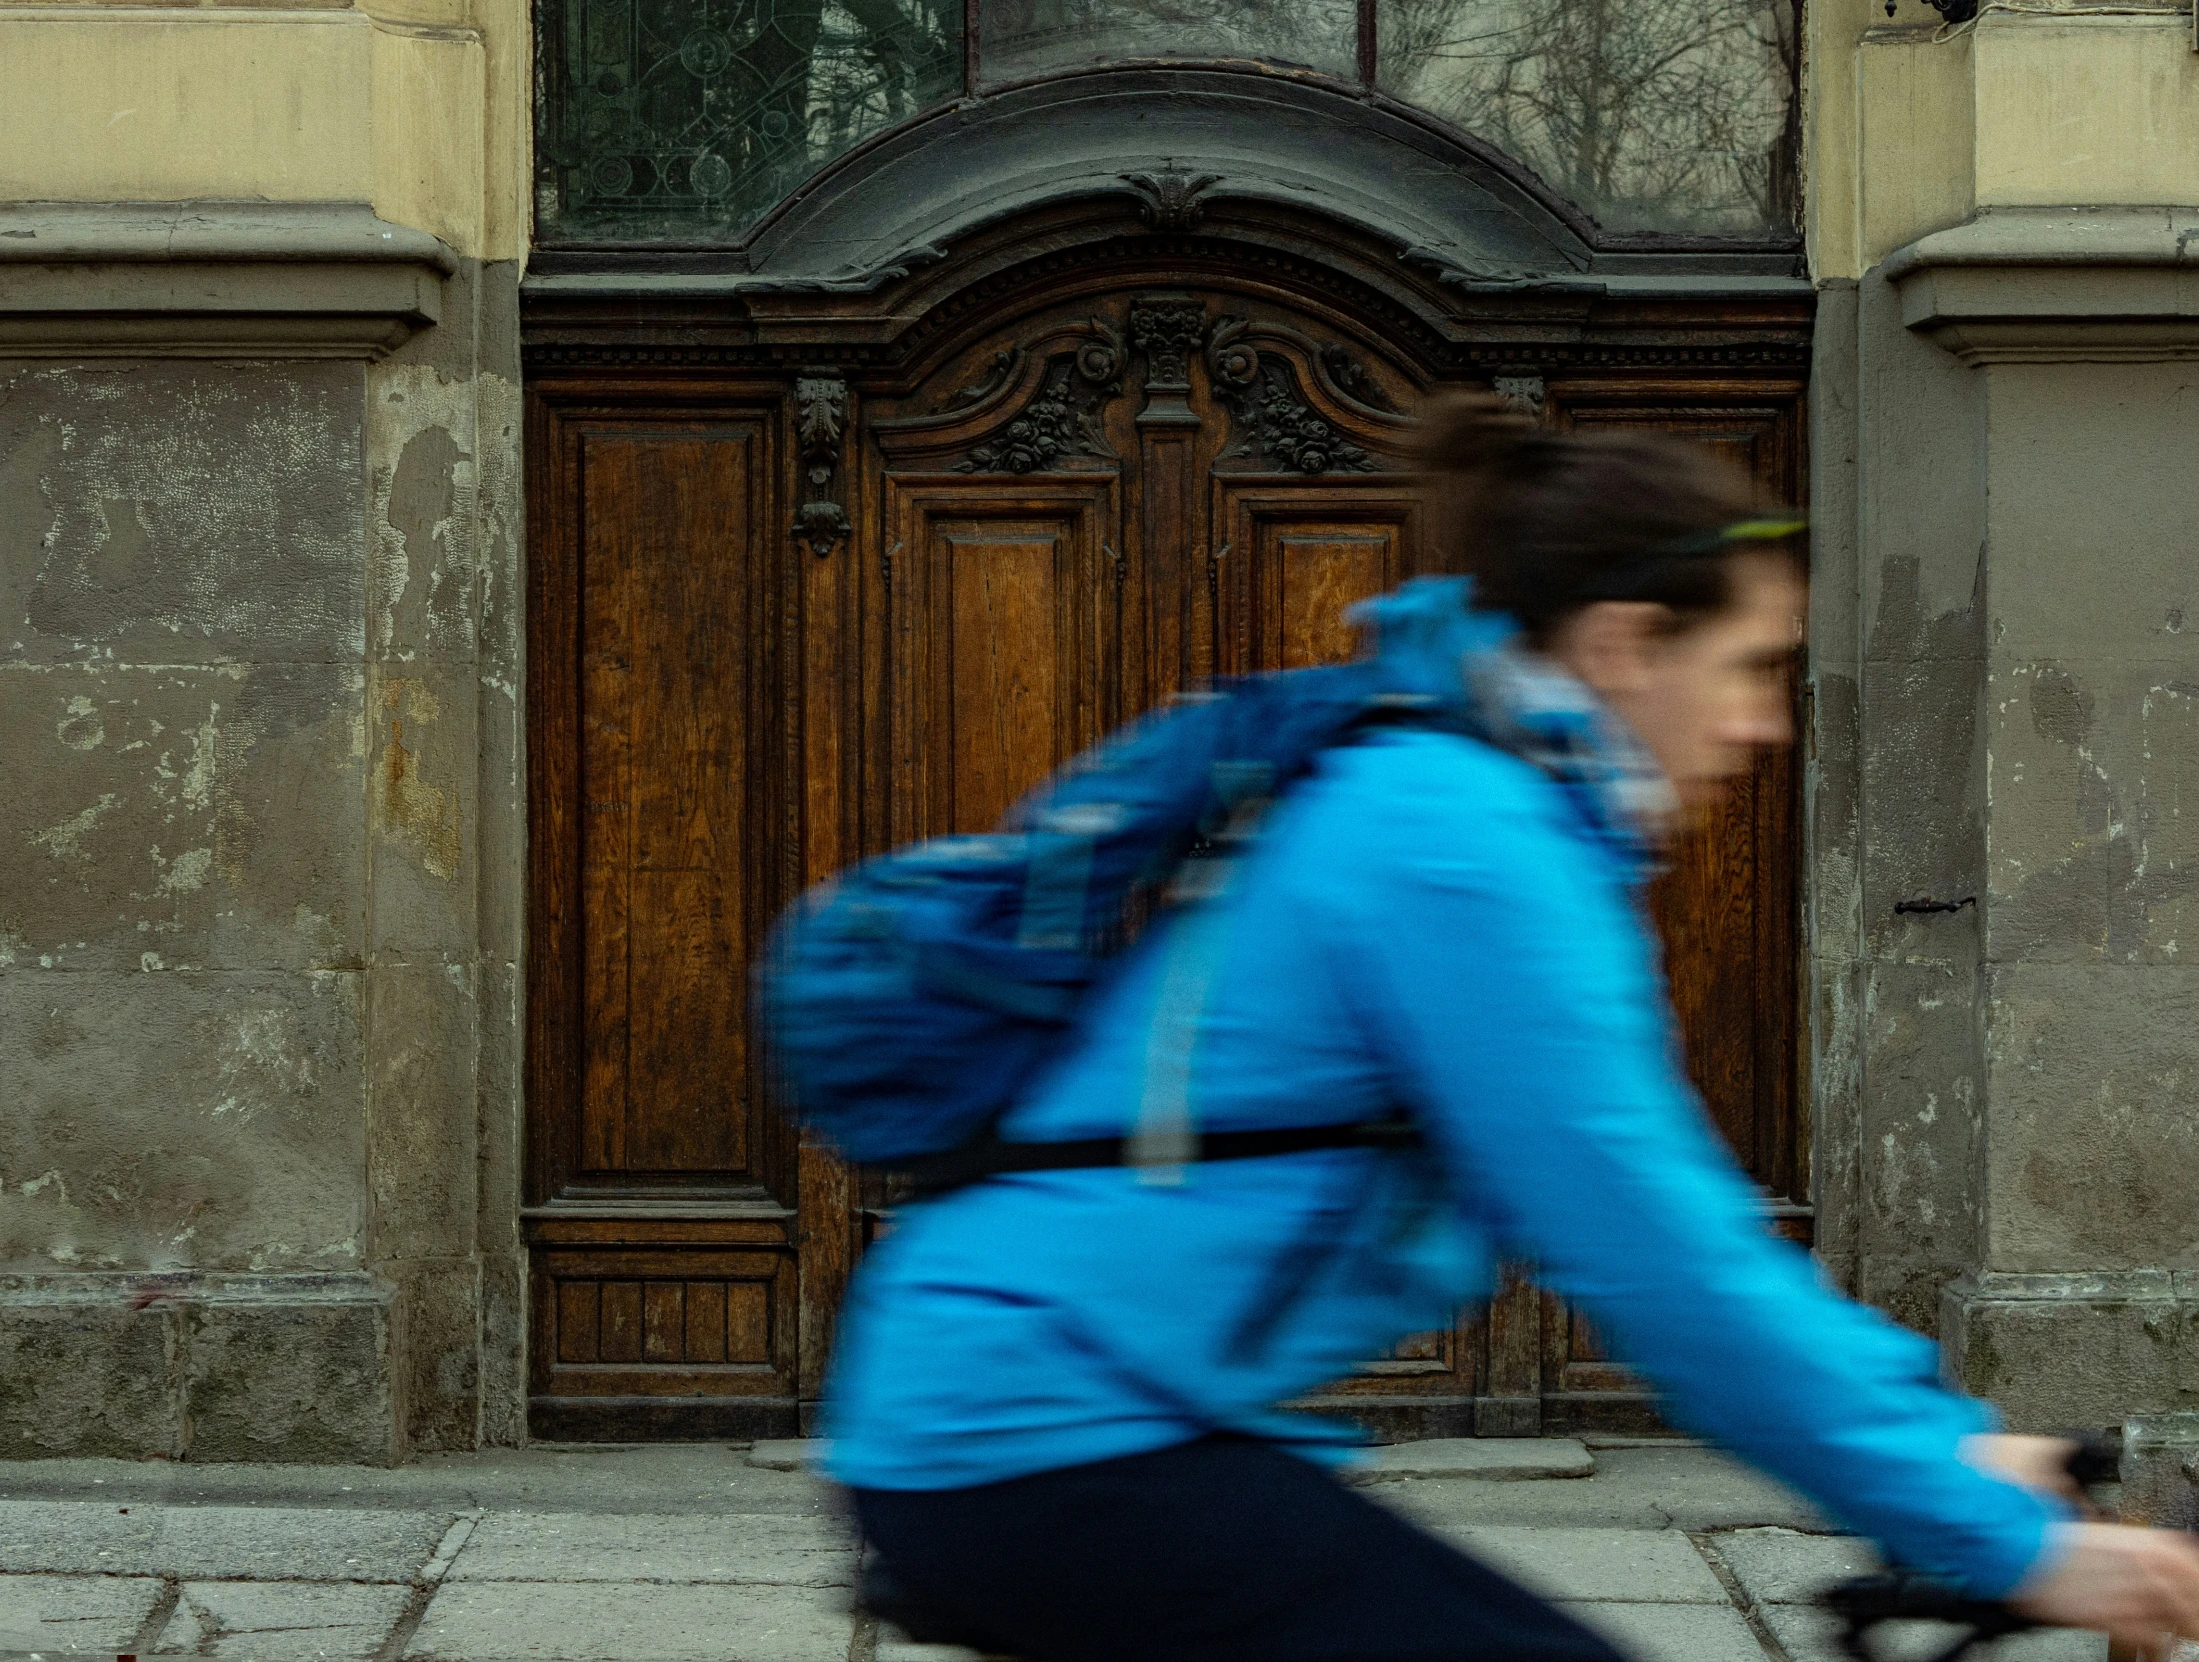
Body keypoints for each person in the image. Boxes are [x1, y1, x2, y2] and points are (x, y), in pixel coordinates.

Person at [818, 396, 2199, 1662]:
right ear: (1620, 643)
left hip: (1062, 1414)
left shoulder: (1475, 806)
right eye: (1750, 665)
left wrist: (1946, 1457)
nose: (1771, 722)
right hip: (1037, 1432)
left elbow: (1680, 1228)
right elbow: (1662, 1258)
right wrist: (1999, 1535)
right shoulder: (1463, 840)